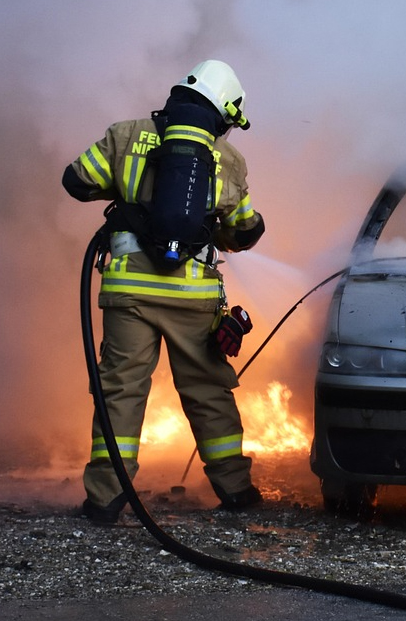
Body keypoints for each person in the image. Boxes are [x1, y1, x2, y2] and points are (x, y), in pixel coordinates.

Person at [62, 60, 267, 523]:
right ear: (221, 111)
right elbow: (242, 231)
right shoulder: (228, 160)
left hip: (128, 294)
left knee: (120, 390)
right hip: (192, 299)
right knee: (208, 390)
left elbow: (76, 180)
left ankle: (105, 498)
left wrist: (128, 195)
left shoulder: (125, 134)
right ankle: (235, 489)